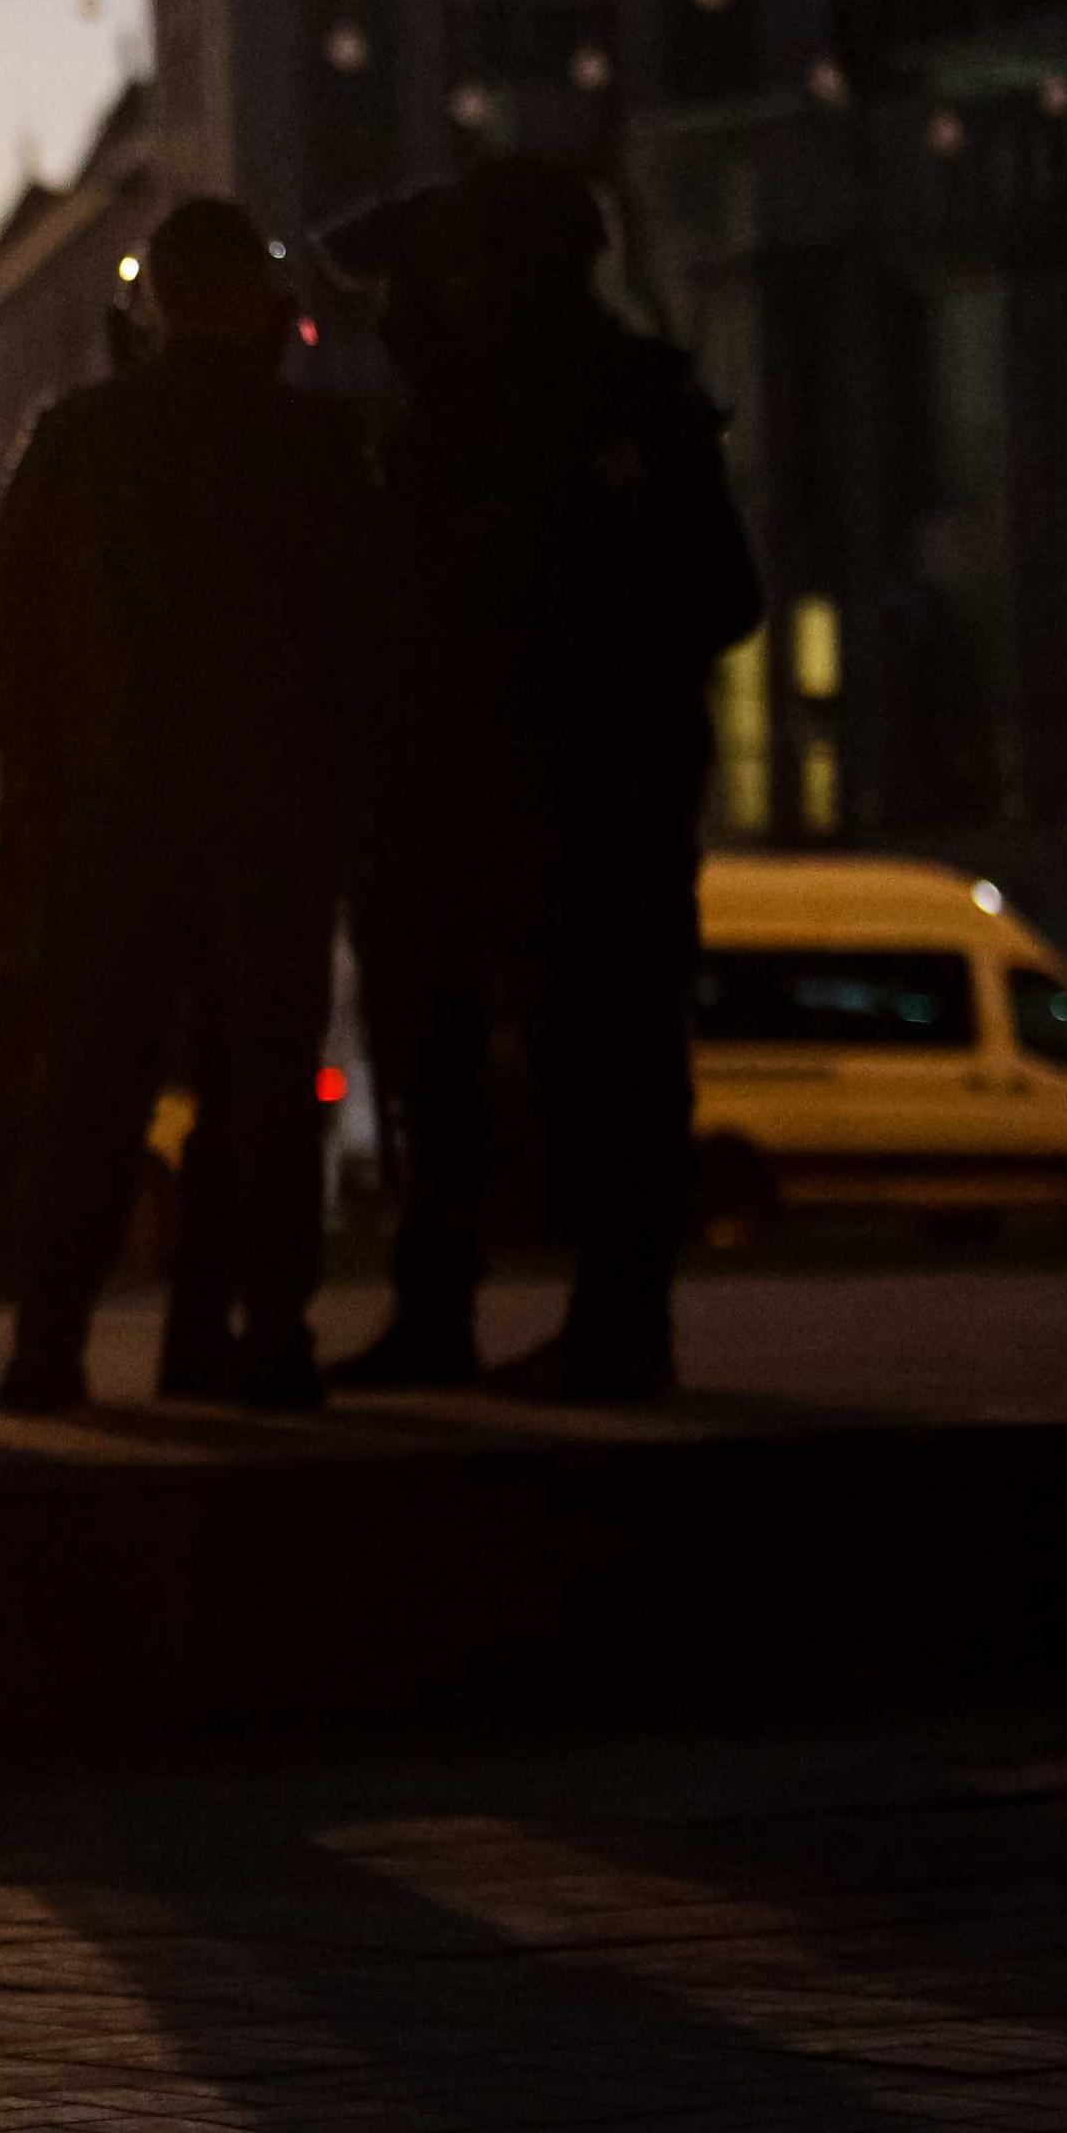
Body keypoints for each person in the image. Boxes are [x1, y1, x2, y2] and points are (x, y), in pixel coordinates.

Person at [319, 157, 763, 1404]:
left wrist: (560, 630)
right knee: (445, 1060)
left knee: (594, 1059)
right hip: (476, 793)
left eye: (451, 269)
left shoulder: (612, 407)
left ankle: (607, 1328)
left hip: (577, 793)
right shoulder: (461, 412)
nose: (427, 301)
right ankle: (463, 1313)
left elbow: (720, 594)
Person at [0, 198, 358, 1414]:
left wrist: (42, 781)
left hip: (111, 821)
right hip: (266, 831)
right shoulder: (315, 446)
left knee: (93, 1090)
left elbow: (6, 634)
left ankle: (50, 1347)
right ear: (259, 298)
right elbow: (371, 639)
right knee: (261, 1099)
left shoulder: (79, 437)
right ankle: (250, 1339)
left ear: (153, 302)